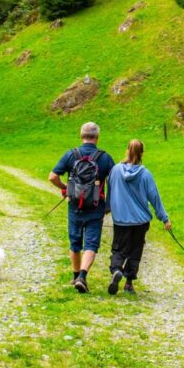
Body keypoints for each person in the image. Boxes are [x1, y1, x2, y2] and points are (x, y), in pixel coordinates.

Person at [49, 122, 115, 293]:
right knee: (91, 244)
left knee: (75, 242)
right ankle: (83, 277)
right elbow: (115, 182)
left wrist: (66, 188)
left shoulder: (71, 155)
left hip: (74, 207)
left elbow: (52, 177)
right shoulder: (105, 158)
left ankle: (75, 276)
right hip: (95, 206)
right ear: (97, 137)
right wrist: (109, 205)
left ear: (81, 136)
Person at [106, 139, 170, 295]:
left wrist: (107, 208)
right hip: (140, 221)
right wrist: (165, 218)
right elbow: (154, 197)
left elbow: (111, 190)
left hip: (121, 220)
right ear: (142, 154)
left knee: (119, 249)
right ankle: (128, 283)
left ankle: (116, 270)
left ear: (127, 151)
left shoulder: (115, 170)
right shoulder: (145, 174)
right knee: (135, 251)